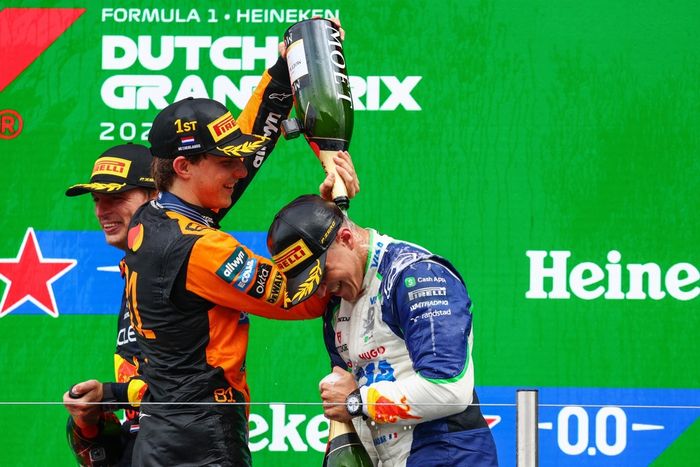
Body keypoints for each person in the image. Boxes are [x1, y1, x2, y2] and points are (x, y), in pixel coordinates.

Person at [122, 96, 359, 466]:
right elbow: (302, 297)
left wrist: (282, 76)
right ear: (183, 167)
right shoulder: (202, 249)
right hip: (202, 442)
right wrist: (329, 223)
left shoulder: (149, 217)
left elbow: (251, 134)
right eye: (225, 162)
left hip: (162, 433)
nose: (240, 171)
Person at [267, 195, 499, 466]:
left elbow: (449, 390)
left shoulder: (415, 276)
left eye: (322, 274)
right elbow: (348, 400)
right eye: (310, 283)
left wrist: (356, 402)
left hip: (448, 453)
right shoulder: (336, 304)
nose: (320, 291)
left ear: (346, 238)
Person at [62, 143, 156, 466]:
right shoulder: (133, 272)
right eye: (96, 200)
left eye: (115, 197)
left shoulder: (178, 268)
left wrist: (108, 395)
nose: (101, 211)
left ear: (154, 196)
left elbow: (191, 390)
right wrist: (89, 418)